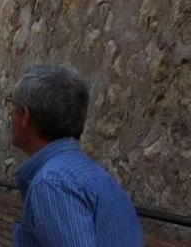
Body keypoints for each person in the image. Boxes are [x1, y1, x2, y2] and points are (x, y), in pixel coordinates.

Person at [9, 65, 143, 246]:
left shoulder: (52, 183)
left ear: (25, 115)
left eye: (11, 105)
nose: (9, 115)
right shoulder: (91, 173)